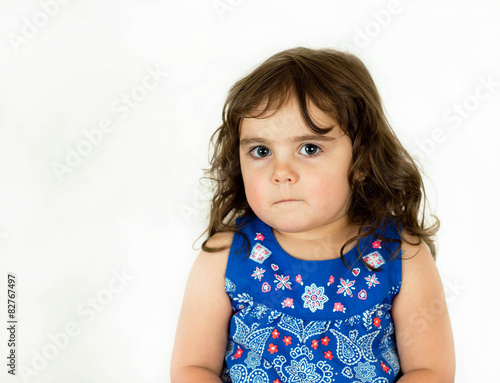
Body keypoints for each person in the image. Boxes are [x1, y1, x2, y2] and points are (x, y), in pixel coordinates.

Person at [170, 47, 455, 383]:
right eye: (261, 151)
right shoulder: (227, 255)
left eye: (309, 148)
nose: (282, 172)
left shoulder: (401, 255)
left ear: (361, 161)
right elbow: (193, 368)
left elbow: (431, 371)